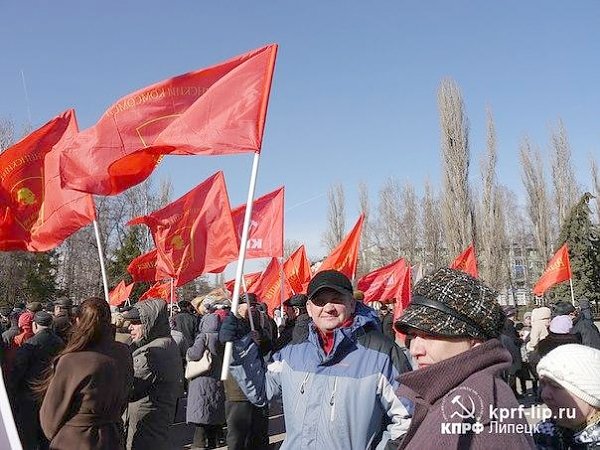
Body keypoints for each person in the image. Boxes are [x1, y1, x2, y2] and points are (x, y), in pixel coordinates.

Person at [221, 270, 412, 450]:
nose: (328, 308)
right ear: (309, 309)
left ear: (352, 304)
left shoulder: (381, 353)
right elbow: (261, 392)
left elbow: (408, 421)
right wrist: (240, 346)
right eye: (320, 301)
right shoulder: (291, 352)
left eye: (337, 300)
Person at [394, 267, 534, 449]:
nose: (415, 349)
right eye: (413, 335)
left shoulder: (478, 409)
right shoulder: (452, 392)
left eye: (430, 335)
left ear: (474, 340)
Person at [38, 297, 133, 450]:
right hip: (112, 438)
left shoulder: (71, 361)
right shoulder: (123, 352)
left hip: (75, 441)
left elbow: (49, 420)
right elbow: (124, 399)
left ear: (77, 321)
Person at [122, 299, 183, 450]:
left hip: (145, 428)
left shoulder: (154, 351)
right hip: (152, 423)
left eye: (136, 323)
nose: (130, 327)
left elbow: (126, 387)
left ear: (150, 323)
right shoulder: (163, 342)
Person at [221, 293, 273, 450]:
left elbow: (268, 347)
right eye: (249, 305)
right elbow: (223, 339)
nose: (253, 309)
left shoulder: (257, 323)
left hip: (259, 384)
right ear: (238, 307)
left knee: (259, 433)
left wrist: (261, 338)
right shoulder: (232, 323)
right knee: (238, 435)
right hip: (238, 390)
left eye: (255, 306)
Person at [9, 311, 64, 450]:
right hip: (52, 396)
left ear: (34, 325)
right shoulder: (60, 344)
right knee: (47, 437)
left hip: (29, 397)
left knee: (28, 439)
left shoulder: (29, 345)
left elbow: (17, 373)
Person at [534, 344, 600, 448]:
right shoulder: (543, 431)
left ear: (589, 394)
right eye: (543, 384)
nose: (544, 394)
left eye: (555, 385)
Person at [186, 313, 226, 450]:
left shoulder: (204, 336)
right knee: (213, 412)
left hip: (202, 379)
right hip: (217, 378)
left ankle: (198, 444)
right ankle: (212, 442)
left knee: (201, 414)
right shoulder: (222, 338)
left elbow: (195, 353)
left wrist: (188, 352)